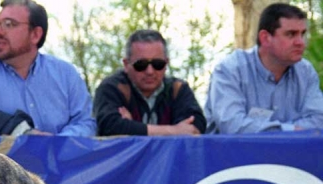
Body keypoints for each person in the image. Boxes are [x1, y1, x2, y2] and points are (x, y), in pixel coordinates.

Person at [0, 0, 96, 136]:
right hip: (4, 157)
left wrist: (55, 145)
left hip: (63, 156)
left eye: (9, 24)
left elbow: (85, 123)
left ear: (35, 34)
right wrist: (26, 136)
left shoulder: (66, 74)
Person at [205, 3, 323, 133]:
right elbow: (232, 125)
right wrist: (291, 129)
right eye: (291, 34)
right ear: (265, 38)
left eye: (302, 34)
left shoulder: (305, 72)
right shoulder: (230, 70)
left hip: (290, 153)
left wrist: (273, 131)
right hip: (234, 152)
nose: (300, 42)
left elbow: (319, 120)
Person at [93, 29, 206, 136]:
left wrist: (133, 129)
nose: (150, 71)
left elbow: (196, 126)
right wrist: (174, 131)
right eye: (141, 64)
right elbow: (109, 126)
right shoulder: (113, 88)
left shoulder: (178, 89)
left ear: (166, 63)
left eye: (158, 64)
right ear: (126, 65)